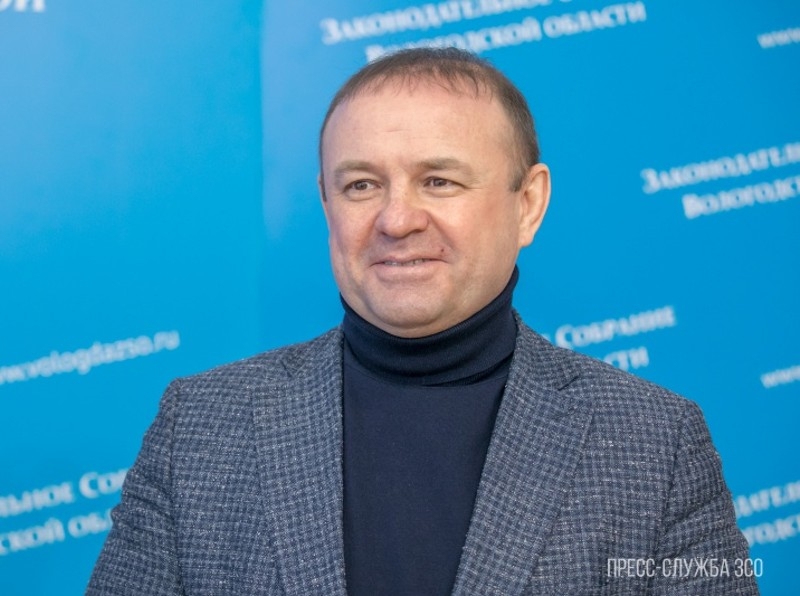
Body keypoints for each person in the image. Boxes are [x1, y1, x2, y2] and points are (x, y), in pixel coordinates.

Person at [87, 48, 758, 595]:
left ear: (527, 204)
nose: (397, 219)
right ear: (326, 204)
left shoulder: (657, 442)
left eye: (439, 181)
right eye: (361, 185)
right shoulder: (198, 425)